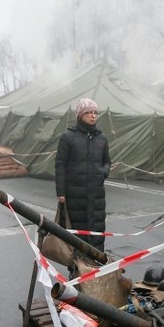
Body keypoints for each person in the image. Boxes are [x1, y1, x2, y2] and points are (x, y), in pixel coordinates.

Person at [54, 98, 111, 252]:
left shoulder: (102, 138)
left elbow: (107, 162)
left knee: (97, 231)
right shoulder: (68, 137)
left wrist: (103, 173)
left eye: (95, 113)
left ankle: (97, 266)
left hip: (97, 196)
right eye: (89, 112)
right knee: (77, 234)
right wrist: (61, 192)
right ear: (80, 115)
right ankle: (77, 268)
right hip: (75, 196)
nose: (93, 116)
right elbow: (60, 165)